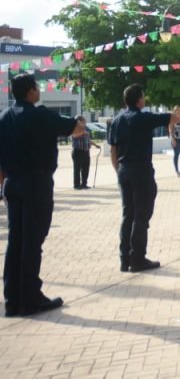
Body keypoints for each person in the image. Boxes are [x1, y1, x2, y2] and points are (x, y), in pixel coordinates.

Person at [0, 73, 87, 317]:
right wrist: (75, 124)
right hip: (36, 183)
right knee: (32, 242)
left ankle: (12, 300)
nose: (39, 91)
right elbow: (77, 129)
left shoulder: (4, 117)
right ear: (30, 91)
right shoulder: (41, 115)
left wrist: (4, 185)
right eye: (36, 87)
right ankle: (31, 299)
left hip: (12, 184)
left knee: (15, 242)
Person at [108, 84, 180, 273]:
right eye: (144, 96)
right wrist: (174, 115)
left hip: (123, 170)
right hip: (141, 170)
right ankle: (138, 259)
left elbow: (113, 150)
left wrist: (119, 171)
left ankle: (125, 259)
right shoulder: (144, 117)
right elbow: (174, 117)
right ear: (139, 99)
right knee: (141, 216)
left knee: (128, 215)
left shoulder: (116, 120)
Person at [71, 116, 100, 189]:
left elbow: (88, 139)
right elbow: (75, 135)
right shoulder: (74, 128)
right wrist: (83, 132)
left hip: (86, 151)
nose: (85, 123)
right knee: (77, 169)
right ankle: (77, 185)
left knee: (86, 169)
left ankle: (84, 184)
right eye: (84, 121)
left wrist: (95, 145)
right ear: (79, 121)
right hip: (78, 151)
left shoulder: (85, 129)